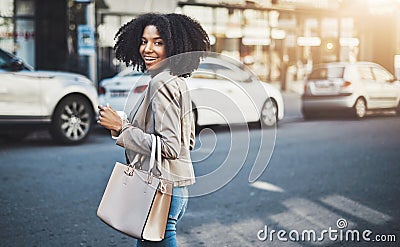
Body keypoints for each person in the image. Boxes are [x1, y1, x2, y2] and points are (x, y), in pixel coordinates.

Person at [97, 13, 210, 247]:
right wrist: (131, 123)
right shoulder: (176, 79)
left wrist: (122, 128)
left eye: (158, 42)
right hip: (173, 189)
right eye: (143, 41)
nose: (147, 49)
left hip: (161, 190)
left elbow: (171, 147)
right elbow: (186, 141)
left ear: (174, 45)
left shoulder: (162, 82)